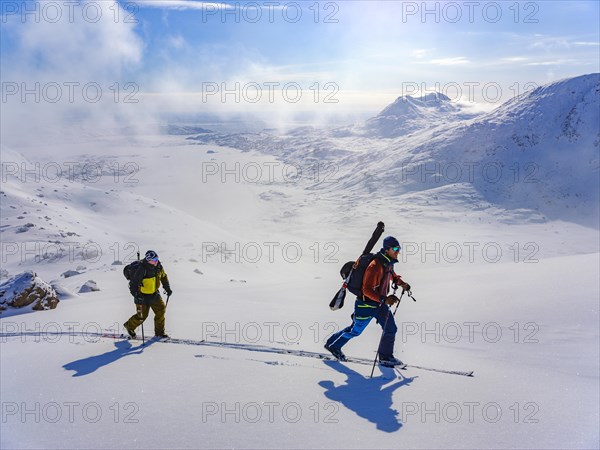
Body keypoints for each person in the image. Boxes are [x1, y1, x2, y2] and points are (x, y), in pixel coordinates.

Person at [325, 236, 411, 366]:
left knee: (390, 328)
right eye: (395, 248)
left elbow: (391, 275)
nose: (398, 251)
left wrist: (402, 284)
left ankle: (385, 357)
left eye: (399, 248)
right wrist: (384, 299)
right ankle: (333, 345)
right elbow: (366, 290)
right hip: (366, 304)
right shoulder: (375, 266)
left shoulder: (388, 263)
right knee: (355, 331)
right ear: (387, 249)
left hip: (380, 304)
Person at [123, 250, 173, 339]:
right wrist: (136, 295)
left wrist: (167, 288)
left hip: (154, 294)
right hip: (141, 296)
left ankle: (159, 333)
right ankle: (129, 326)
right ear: (148, 260)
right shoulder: (142, 269)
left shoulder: (158, 267)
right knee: (142, 317)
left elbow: (164, 277)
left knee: (161, 310)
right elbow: (133, 284)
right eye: (154, 260)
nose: (156, 261)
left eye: (157, 259)